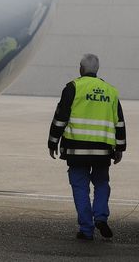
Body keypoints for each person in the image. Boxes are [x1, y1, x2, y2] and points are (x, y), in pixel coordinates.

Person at [48, 53, 126, 241]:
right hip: (102, 151)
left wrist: (52, 142)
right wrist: (120, 148)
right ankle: (100, 217)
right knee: (101, 184)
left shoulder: (73, 88)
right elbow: (120, 123)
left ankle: (86, 229)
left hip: (77, 150)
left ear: (81, 69)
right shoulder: (110, 91)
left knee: (80, 187)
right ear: (97, 69)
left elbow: (60, 118)